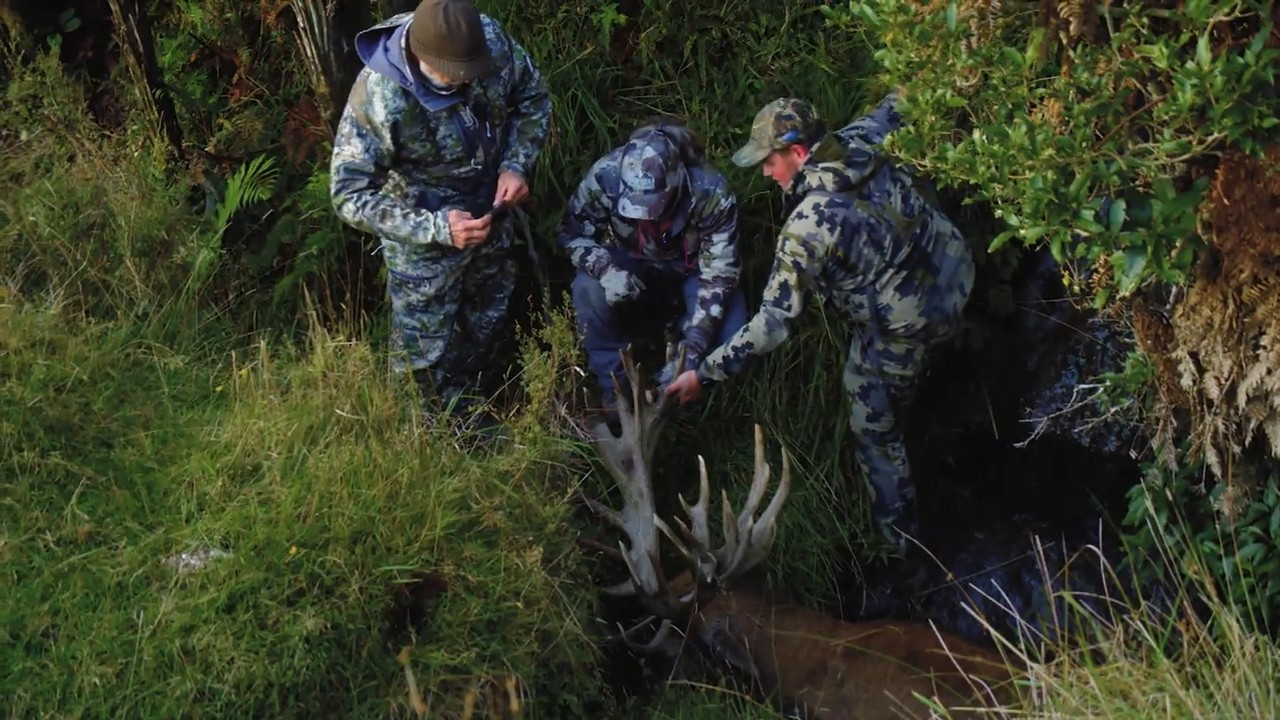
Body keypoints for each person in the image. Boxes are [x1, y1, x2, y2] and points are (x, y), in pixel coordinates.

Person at [665, 93, 975, 554]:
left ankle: (903, 549)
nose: (767, 174)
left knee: (874, 429)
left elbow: (773, 323)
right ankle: (951, 387)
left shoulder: (808, 227)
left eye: (770, 162)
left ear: (798, 153)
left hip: (906, 327)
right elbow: (906, 95)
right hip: (958, 274)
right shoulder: (864, 136)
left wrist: (705, 372)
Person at [330, 0, 550, 431]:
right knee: (422, 360)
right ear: (418, 56)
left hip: (492, 217)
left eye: (471, 71)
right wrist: (435, 228)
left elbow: (533, 97)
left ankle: (477, 430)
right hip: (423, 241)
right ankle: (424, 452)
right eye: (453, 75)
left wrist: (516, 164)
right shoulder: (379, 95)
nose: (466, 81)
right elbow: (348, 194)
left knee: (486, 327)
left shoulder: (487, 41)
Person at [558, 121, 747, 411]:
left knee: (733, 332)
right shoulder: (606, 175)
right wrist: (605, 270)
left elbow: (719, 277)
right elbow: (571, 234)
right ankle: (617, 395)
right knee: (589, 289)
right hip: (634, 271)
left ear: (676, 185)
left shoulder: (711, 192)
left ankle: (685, 395)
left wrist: (692, 353)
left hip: (693, 276)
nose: (645, 214)